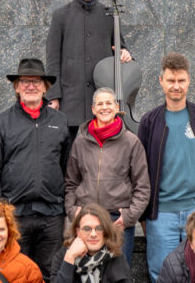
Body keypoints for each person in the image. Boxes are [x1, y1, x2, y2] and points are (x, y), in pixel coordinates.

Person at [138, 52, 195, 283]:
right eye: (170, 80)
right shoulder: (149, 121)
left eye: (181, 80)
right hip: (161, 214)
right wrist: (144, 215)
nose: (176, 86)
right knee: (161, 275)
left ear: (189, 81)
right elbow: (140, 170)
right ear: (161, 81)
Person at [0, 58, 70, 281]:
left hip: (52, 215)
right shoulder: (1, 122)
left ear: (45, 87)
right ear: (16, 87)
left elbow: (67, 167)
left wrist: (65, 205)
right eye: (25, 81)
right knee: (13, 276)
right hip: (14, 214)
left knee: (49, 275)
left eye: (36, 81)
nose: (31, 86)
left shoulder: (60, 122)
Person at [64, 87, 150, 264]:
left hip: (117, 221)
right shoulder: (81, 141)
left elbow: (142, 186)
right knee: (86, 273)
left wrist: (128, 216)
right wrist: (73, 212)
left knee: (118, 274)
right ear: (93, 109)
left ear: (117, 107)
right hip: (86, 218)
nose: (104, 107)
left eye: (109, 103)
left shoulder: (131, 142)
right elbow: (71, 182)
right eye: (100, 104)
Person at [46, 0, 132, 137]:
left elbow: (120, 47)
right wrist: (53, 96)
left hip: (102, 104)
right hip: (70, 103)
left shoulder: (109, 16)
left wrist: (124, 52)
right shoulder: (60, 16)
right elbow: (52, 59)